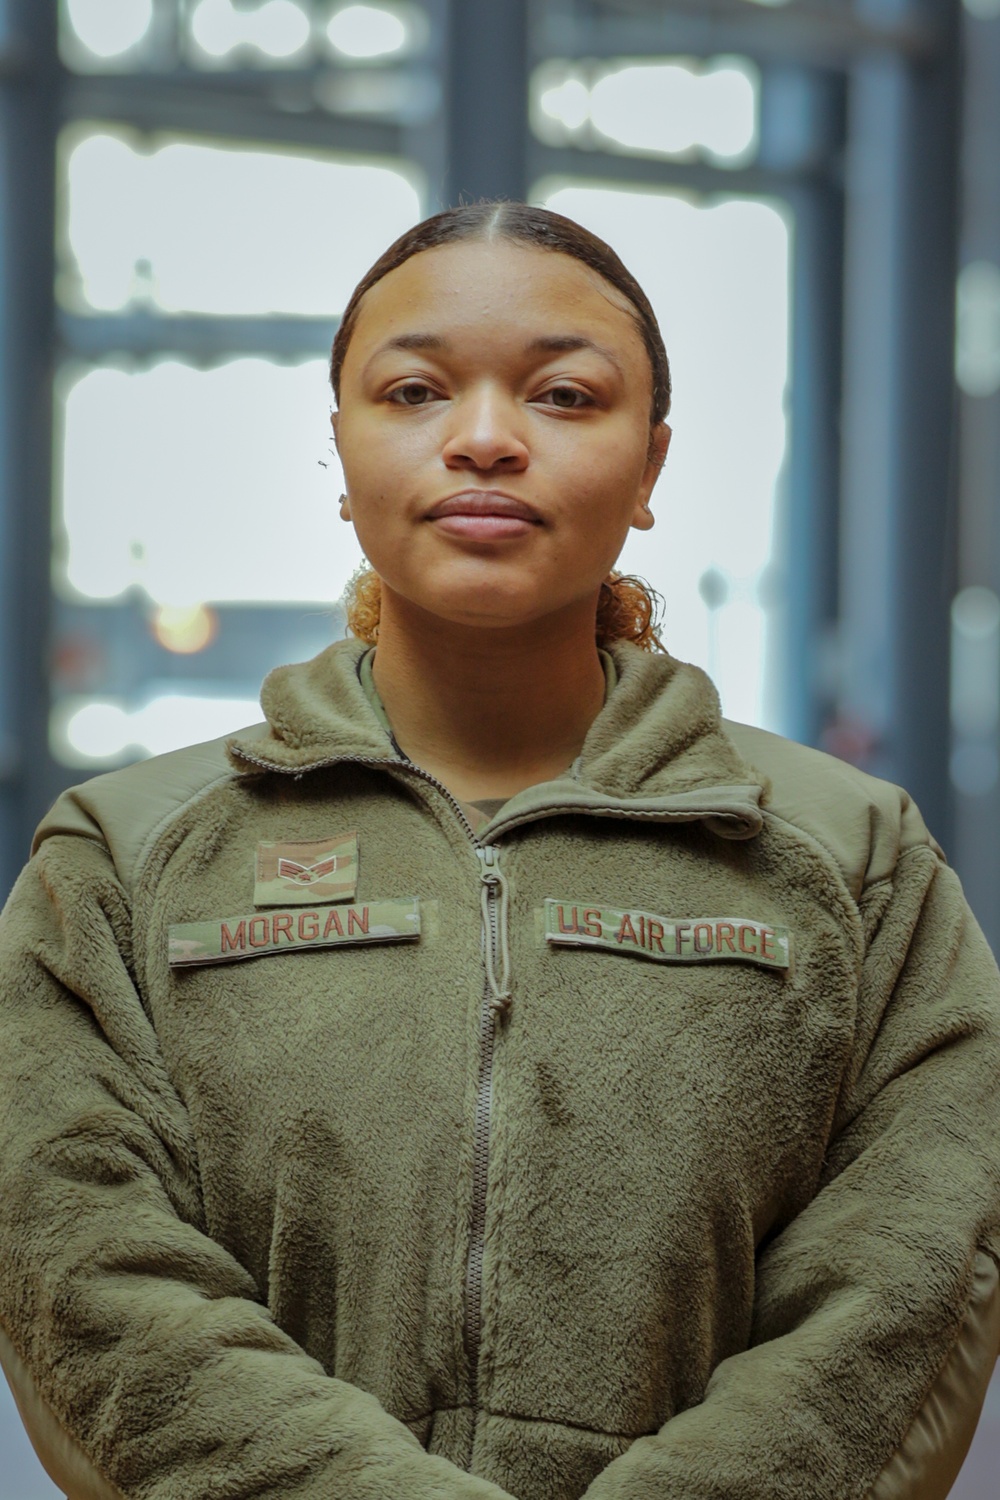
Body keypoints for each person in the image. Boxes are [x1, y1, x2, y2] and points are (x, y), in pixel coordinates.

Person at [0, 202, 998, 1500]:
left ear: (650, 469)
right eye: (414, 390)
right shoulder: (125, 861)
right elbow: (81, 1266)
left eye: (566, 395)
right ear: (341, 455)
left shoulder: (850, 861)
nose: (483, 439)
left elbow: (908, 1282)